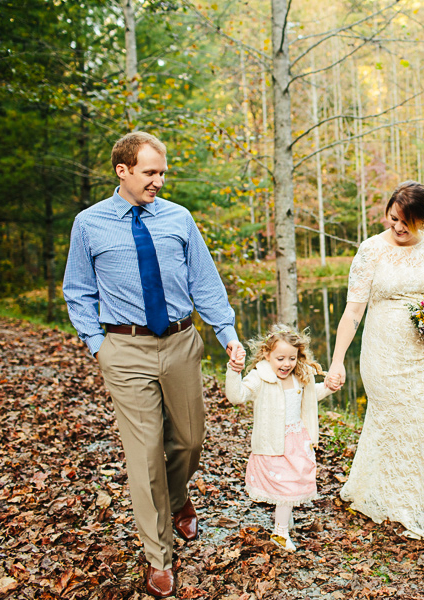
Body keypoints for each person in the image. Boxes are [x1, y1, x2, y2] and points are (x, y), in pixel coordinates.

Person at [63, 131, 246, 598]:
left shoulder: (178, 219)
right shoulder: (89, 224)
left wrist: (227, 334)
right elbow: (78, 290)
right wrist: (96, 345)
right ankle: (158, 557)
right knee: (144, 457)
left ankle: (180, 498)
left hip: (182, 344)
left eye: (162, 172)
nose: (158, 181)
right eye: (150, 172)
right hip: (124, 351)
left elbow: (204, 281)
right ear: (122, 171)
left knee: (189, 439)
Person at [325, 181, 424, 550]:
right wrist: (337, 361)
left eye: (407, 223)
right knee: (398, 427)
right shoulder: (371, 250)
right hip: (384, 357)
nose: (397, 227)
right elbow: (352, 312)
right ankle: (399, 499)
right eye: (393, 218)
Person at [225, 324, 338, 551]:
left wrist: (329, 387)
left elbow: (311, 396)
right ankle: (280, 532)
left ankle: (283, 519)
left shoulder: (299, 375)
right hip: (273, 443)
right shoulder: (260, 377)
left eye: (292, 358)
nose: (286, 364)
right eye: (280, 358)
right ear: (267, 355)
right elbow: (236, 396)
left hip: (296, 440)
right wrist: (233, 371)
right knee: (284, 487)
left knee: (290, 485)